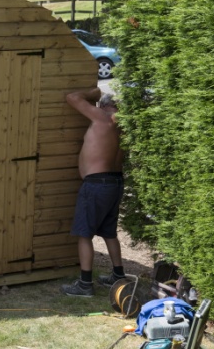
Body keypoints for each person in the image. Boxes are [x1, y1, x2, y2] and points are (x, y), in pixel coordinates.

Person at [61, 88, 125, 297]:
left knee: (84, 233)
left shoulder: (102, 116)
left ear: (104, 105)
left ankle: (85, 284)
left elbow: (72, 97)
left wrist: (92, 93)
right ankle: (118, 276)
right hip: (115, 182)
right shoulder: (122, 124)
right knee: (109, 232)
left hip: (97, 184)